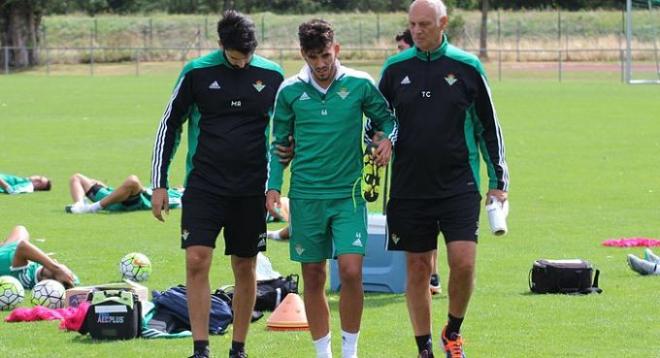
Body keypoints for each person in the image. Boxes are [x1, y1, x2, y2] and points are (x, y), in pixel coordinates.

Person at [378, 1, 510, 357]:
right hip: (409, 187)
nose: (416, 31)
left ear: (443, 23)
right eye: (412, 25)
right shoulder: (393, 69)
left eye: (424, 24)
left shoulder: (467, 67)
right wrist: (379, 142)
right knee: (418, 268)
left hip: (458, 184)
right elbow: (377, 122)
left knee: (464, 263)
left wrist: (499, 181)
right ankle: (423, 349)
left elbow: (489, 127)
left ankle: (452, 331)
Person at [150, 10, 284, 358]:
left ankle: (238, 348)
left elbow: (285, 132)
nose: (243, 64)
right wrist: (159, 183)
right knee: (197, 259)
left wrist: (275, 184)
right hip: (204, 186)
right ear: (221, 45)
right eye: (236, 58)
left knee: (245, 266)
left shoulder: (272, 75)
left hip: (251, 189)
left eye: (248, 57)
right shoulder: (196, 72)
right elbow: (169, 125)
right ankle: (200, 348)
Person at [266, 19, 397, 358]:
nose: (321, 64)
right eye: (313, 57)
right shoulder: (289, 91)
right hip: (307, 198)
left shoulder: (360, 84)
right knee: (313, 276)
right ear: (303, 55)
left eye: (325, 55)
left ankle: (350, 352)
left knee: (352, 271)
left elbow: (387, 120)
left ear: (336, 49)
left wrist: (385, 142)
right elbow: (279, 143)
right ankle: (324, 354)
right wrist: (273, 187)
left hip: (348, 195)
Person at [0, 225, 78, 289]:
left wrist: (57, 269)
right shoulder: (40, 267)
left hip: (9, 253)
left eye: (54, 275)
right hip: (11, 248)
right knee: (21, 229)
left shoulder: (26, 277)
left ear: (46, 281)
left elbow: (22, 246)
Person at [65, 173, 182, 214]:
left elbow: (166, 203)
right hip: (115, 195)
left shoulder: (182, 199)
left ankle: (91, 208)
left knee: (133, 180)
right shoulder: (174, 190)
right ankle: (80, 204)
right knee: (76, 178)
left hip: (136, 200)